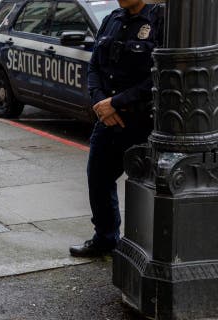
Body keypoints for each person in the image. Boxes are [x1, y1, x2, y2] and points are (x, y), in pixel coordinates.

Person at [69, 0, 164, 258]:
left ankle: (147, 249)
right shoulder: (112, 19)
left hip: (141, 121)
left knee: (146, 186)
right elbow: (94, 67)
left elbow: (160, 74)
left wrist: (117, 103)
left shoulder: (159, 19)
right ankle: (106, 239)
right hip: (108, 119)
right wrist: (101, 102)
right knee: (98, 179)